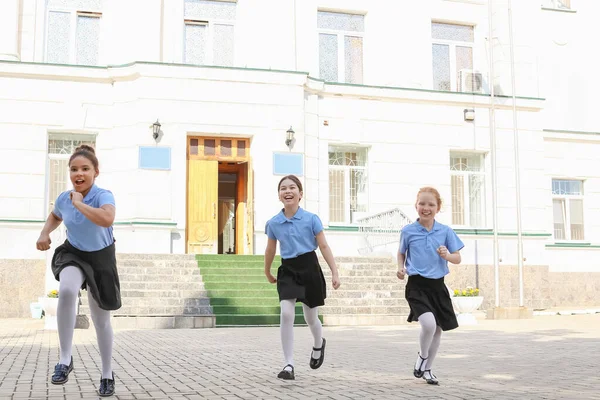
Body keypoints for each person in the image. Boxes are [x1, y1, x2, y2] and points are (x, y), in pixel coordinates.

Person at [36, 144, 120, 397]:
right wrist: (44, 232)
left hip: (101, 259)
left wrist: (80, 204)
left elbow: (107, 219)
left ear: (96, 172)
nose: (78, 174)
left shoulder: (104, 195)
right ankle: (64, 359)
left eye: (85, 169)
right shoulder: (65, 198)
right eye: (74, 169)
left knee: (101, 320)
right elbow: (55, 215)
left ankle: (107, 373)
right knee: (67, 291)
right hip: (73, 252)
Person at [264, 174, 341, 380]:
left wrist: (334, 271)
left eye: (292, 188)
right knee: (286, 313)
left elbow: (323, 246)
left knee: (310, 317)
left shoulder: (311, 219)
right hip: (288, 269)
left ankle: (318, 343)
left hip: (309, 268)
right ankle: (288, 364)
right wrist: (267, 270)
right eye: (283, 188)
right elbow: (270, 249)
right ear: (279, 195)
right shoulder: (274, 223)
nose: (287, 191)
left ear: (300, 194)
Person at [396, 187, 464, 385]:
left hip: (438, 286)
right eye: (422, 204)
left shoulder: (445, 231)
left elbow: (457, 258)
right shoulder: (408, 231)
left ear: (438, 208)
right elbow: (401, 252)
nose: (426, 208)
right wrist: (401, 268)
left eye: (431, 204)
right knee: (428, 324)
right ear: (416, 206)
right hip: (417, 285)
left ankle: (428, 370)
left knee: (437, 330)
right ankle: (422, 357)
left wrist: (447, 255)